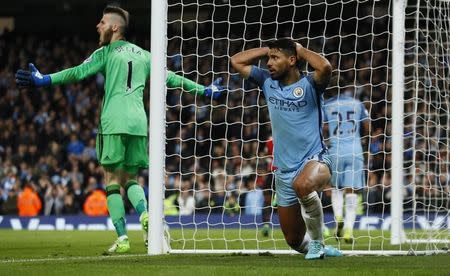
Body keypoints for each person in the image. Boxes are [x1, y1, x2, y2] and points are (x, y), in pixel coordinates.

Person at [15, 5, 223, 253]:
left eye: (102, 22)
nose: (97, 26)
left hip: (113, 121)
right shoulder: (146, 55)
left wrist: (45, 79)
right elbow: (173, 79)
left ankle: (123, 238)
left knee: (112, 180)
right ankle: (146, 215)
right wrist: (204, 90)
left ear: (115, 27)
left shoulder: (105, 52)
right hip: (138, 123)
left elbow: (78, 72)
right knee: (131, 179)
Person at [230, 38, 342, 259]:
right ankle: (318, 247)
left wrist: (300, 49)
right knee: (294, 240)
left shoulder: (311, 84)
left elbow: (325, 67)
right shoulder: (266, 82)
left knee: (303, 184)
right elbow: (236, 61)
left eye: (275, 58)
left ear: (292, 60)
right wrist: (266, 50)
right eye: (269, 58)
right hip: (284, 170)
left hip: (316, 159)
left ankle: (318, 243)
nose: (269, 63)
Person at [322, 78, 369, 243]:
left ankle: (338, 217)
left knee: (335, 189)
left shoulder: (326, 105)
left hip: (335, 150)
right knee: (352, 190)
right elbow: (367, 127)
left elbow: (322, 127)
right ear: (347, 88)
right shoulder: (357, 103)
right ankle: (349, 230)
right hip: (355, 150)